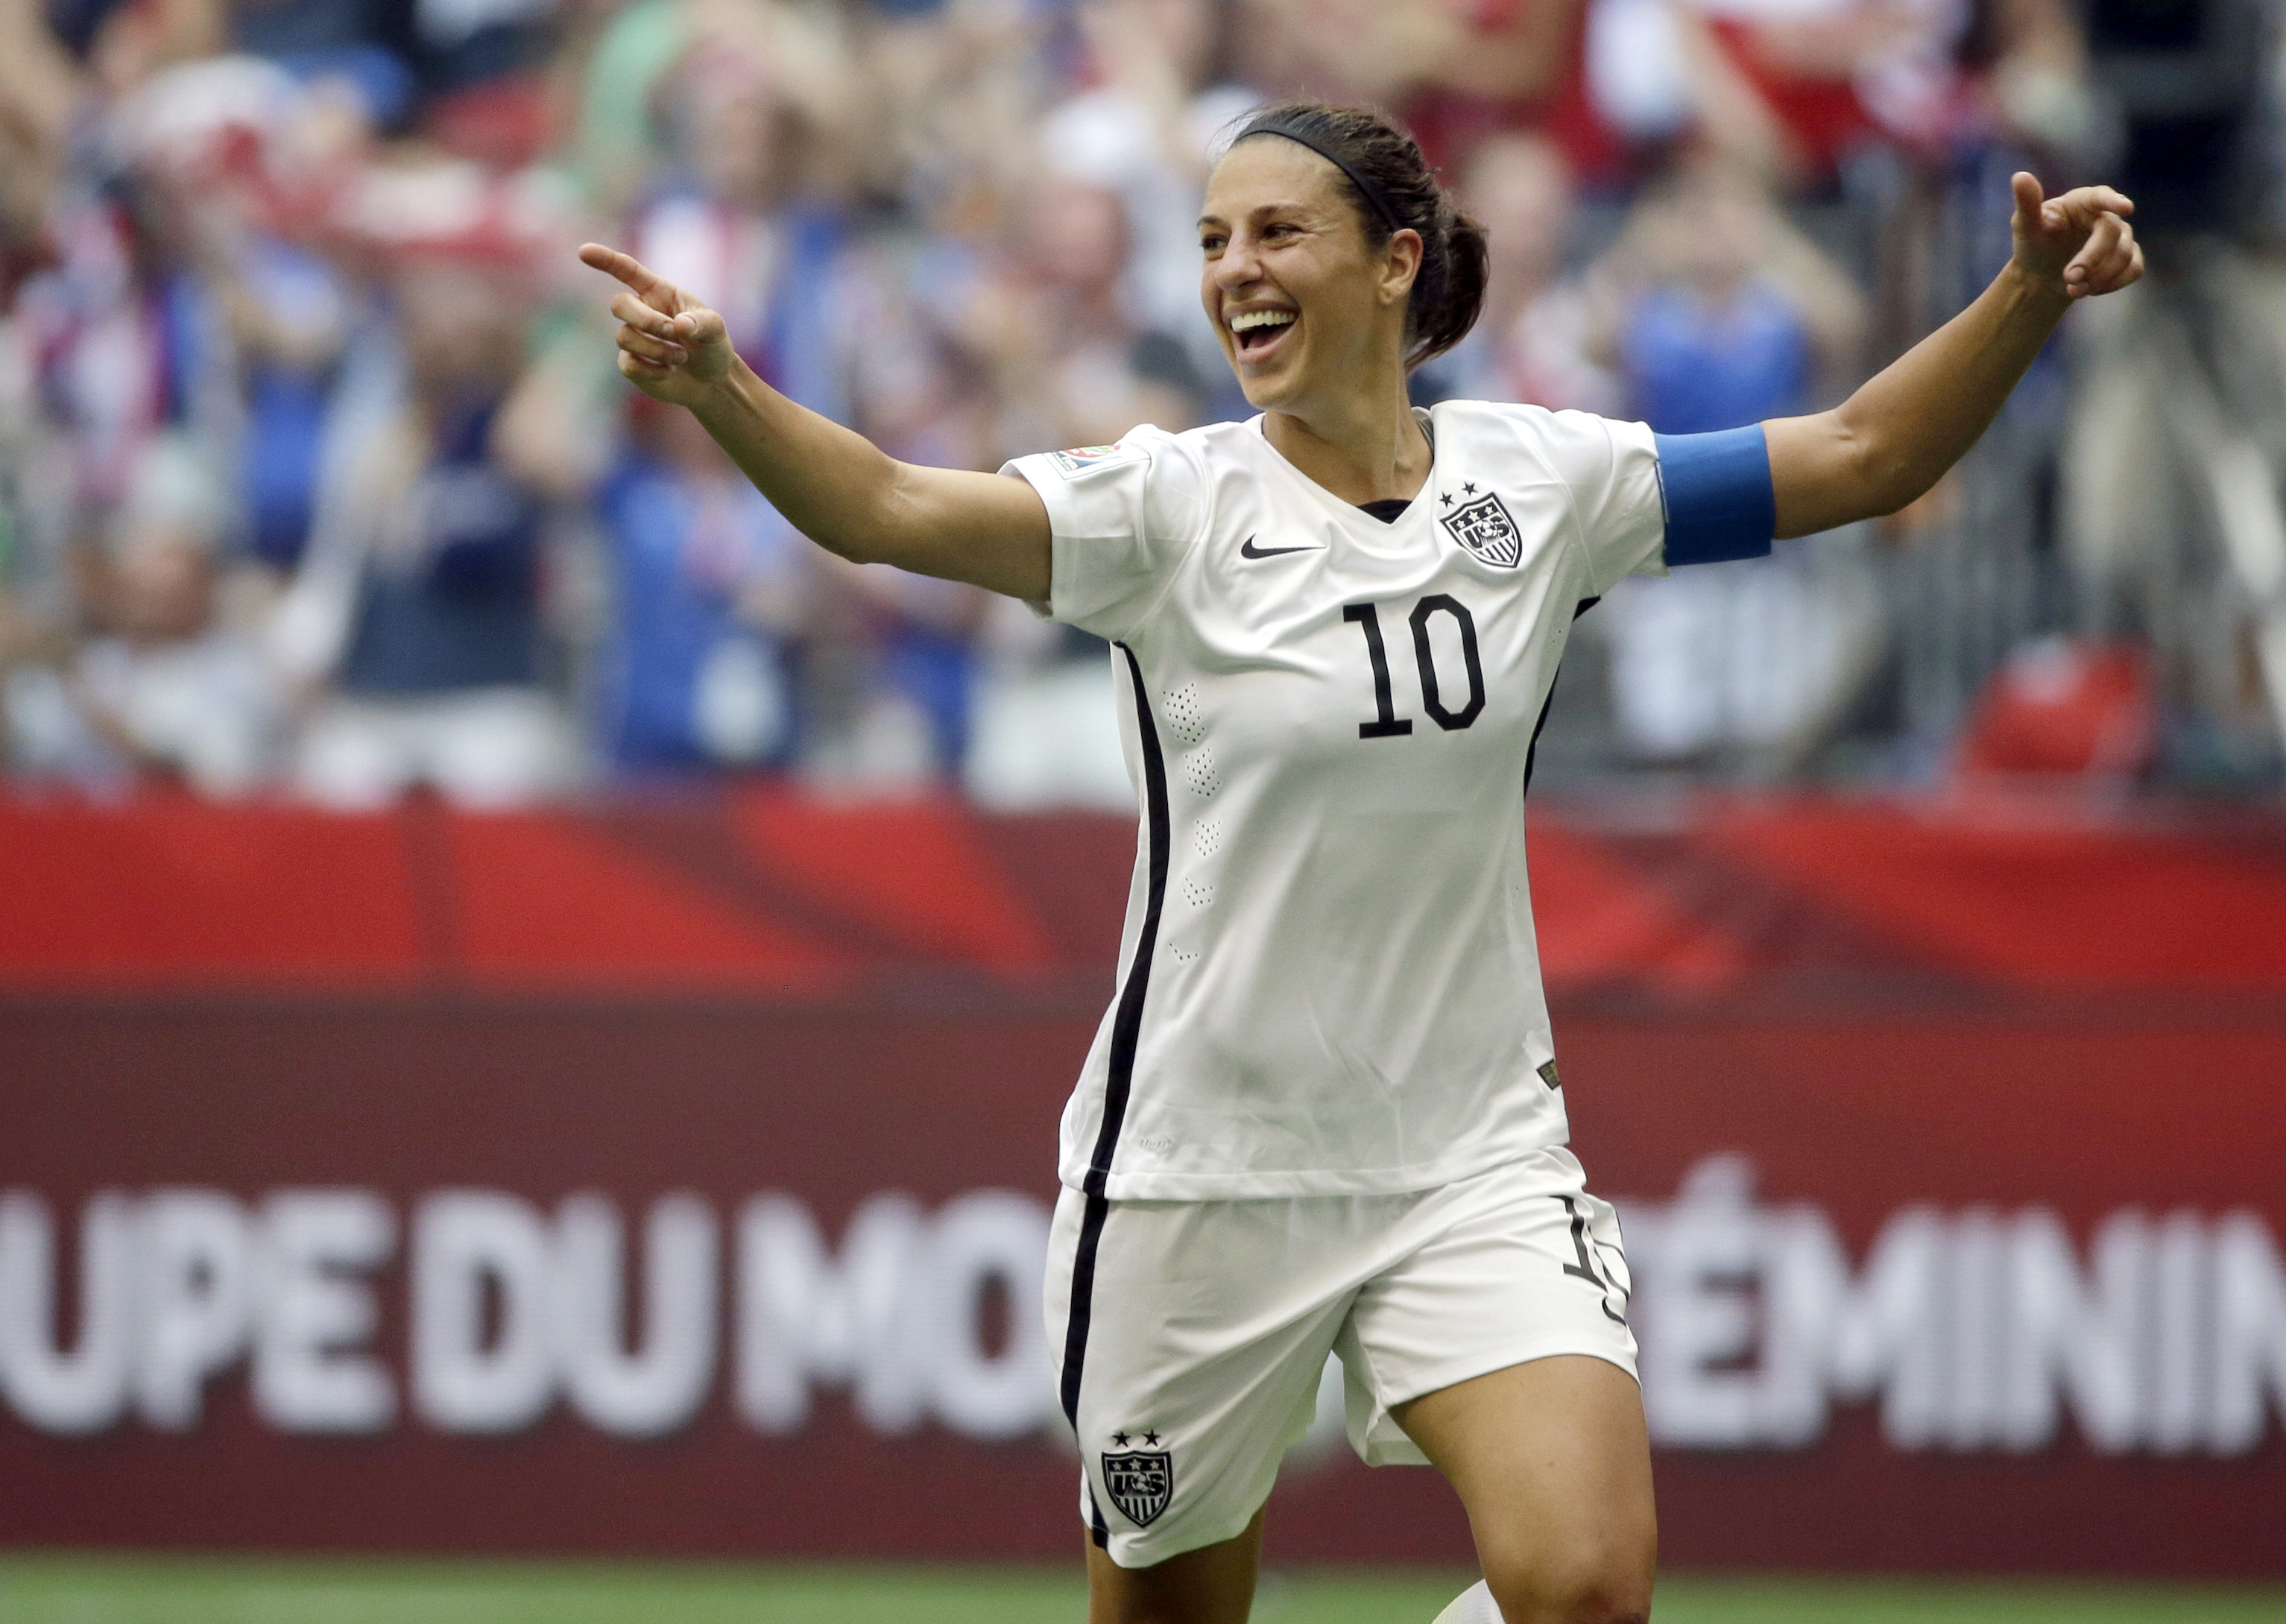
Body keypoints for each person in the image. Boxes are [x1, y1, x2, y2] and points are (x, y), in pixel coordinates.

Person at [580, 98, 2140, 1624]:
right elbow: (885, 507)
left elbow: (1862, 452)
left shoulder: (1542, 482)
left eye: (1274, 232)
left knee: (1583, 1585)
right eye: (1207, 241)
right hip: (1195, 1180)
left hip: (1466, 1157)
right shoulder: (1164, 508)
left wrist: (2018, 296)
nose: (1229, 272)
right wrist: (725, 387)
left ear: (1394, 265)